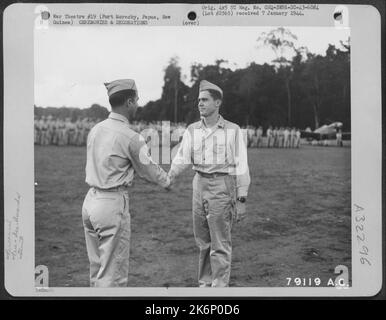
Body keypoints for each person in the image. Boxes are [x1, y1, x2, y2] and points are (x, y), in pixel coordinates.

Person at [82, 79, 171, 287]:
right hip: (111, 204)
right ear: (129, 102)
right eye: (137, 100)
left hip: (90, 201)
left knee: (96, 271)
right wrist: (167, 181)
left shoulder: (96, 129)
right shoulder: (130, 136)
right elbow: (148, 169)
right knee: (113, 275)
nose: (138, 104)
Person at [168, 80, 250, 287]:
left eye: (205, 100)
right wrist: (168, 177)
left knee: (220, 242)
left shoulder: (233, 130)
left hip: (221, 184)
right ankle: (205, 286)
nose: (200, 104)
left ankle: (219, 289)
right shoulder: (192, 129)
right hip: (199, 184)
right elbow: (182, 158)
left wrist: (241, 199)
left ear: (217, 102)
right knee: (203, 242)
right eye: (199, 100)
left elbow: (242, 167)